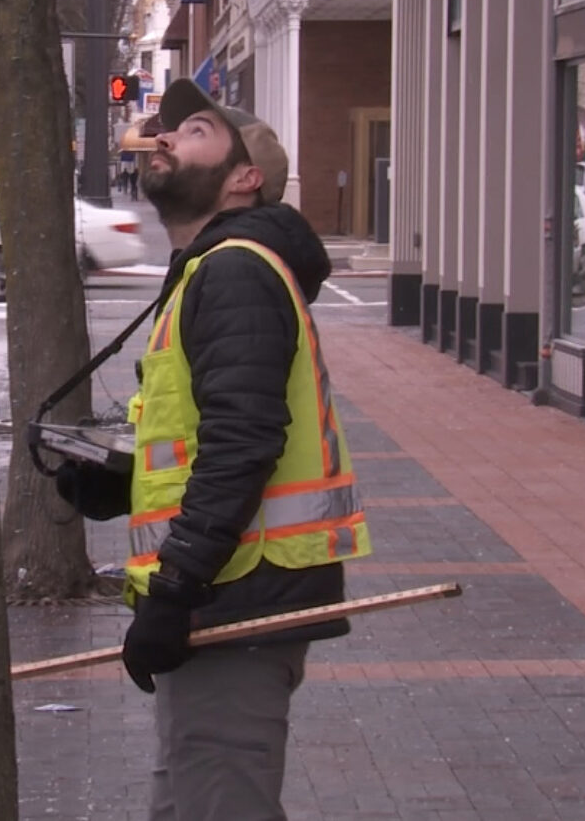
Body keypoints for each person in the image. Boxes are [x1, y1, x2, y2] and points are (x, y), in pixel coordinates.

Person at [53, 78, 371, 820]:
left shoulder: (233, 272)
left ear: (244, 177)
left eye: (193, 131)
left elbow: (244, 444)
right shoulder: (213, 270)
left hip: (236, 597)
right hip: (225, 595)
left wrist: (174, 591)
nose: (162, 138)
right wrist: (116, 482)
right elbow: (208, 437)